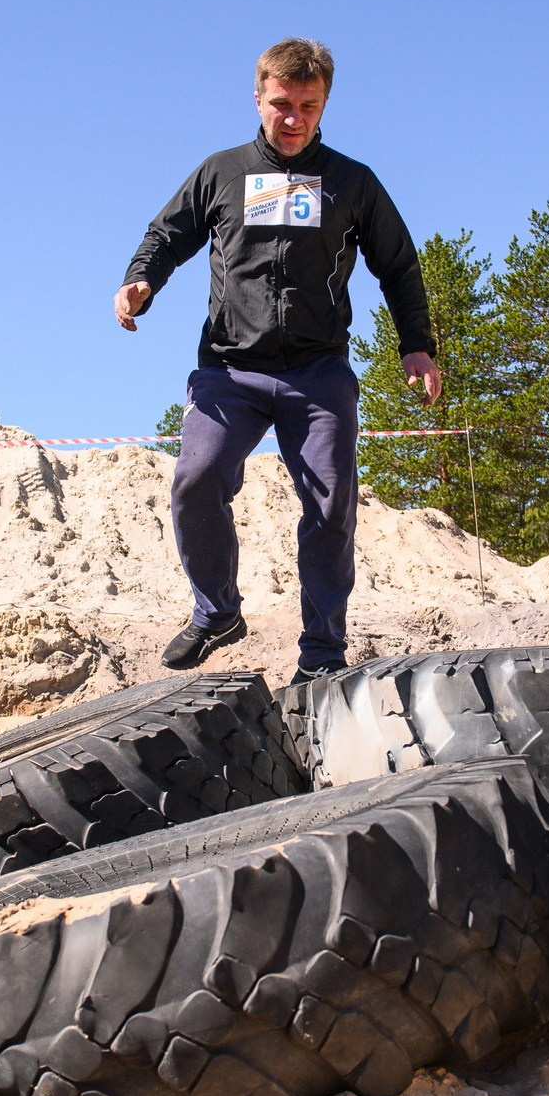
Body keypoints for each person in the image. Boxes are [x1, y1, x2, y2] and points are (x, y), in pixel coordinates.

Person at [115, 38, 440, 684]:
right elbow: (167, 235)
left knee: (330, 506)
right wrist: (140, 281)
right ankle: (217, 611)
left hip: (317, 374)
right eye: (280, 105)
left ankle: (321, 656)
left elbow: (397, 264)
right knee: (195, 479)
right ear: (258, 98)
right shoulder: (222, 172)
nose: (292, 120)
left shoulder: (352, 183)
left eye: (307, 107)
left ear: (324, 105)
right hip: (230, 370)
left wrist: (415, 344)